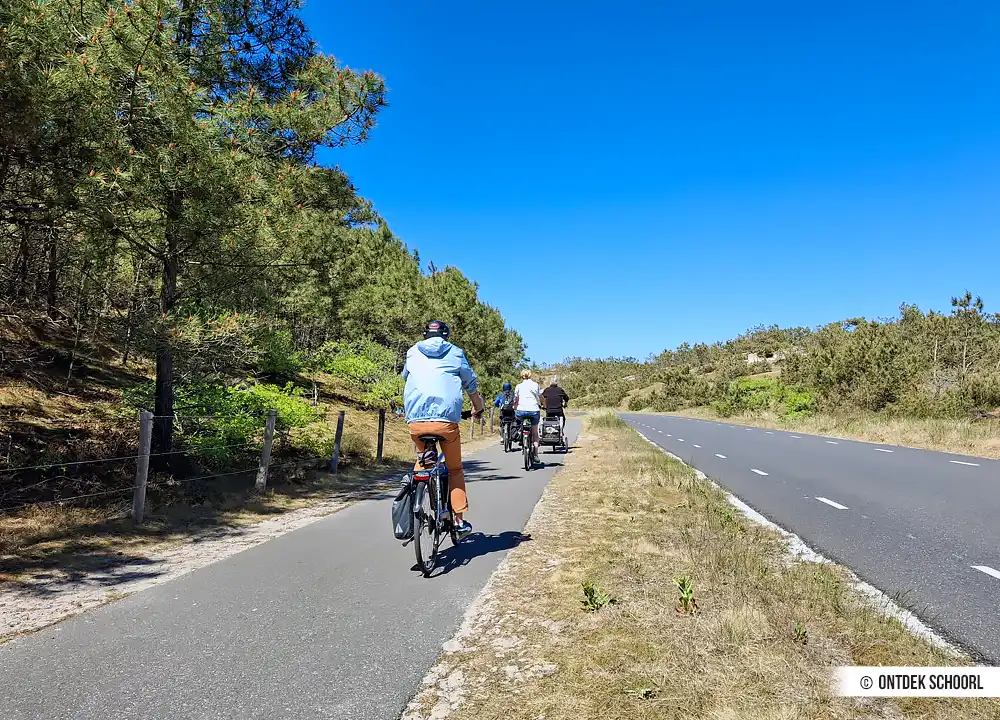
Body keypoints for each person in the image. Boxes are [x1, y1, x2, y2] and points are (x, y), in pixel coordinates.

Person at [402, 320, 485, 538]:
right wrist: (478, 408)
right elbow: (471, 384)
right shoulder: (455, 353)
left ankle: (413, 514)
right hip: (446, 423)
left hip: (417, 421)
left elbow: (405, 376)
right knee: (455, 469)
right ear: (445, 335)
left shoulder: (412, 352)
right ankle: (459, 521)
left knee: (423, 462)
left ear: (425, 334)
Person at [512, 369, 542, 460]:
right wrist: (544, 404)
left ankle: (522, 437)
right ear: (530, 375)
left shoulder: (518, 386)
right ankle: (536, 454)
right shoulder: (535, 385)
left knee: (520, 424)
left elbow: (516, 399)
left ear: (522, 376)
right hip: (534, 410)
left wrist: (515, 407)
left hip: (521, 411)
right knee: (534, 432)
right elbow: (541, 397)